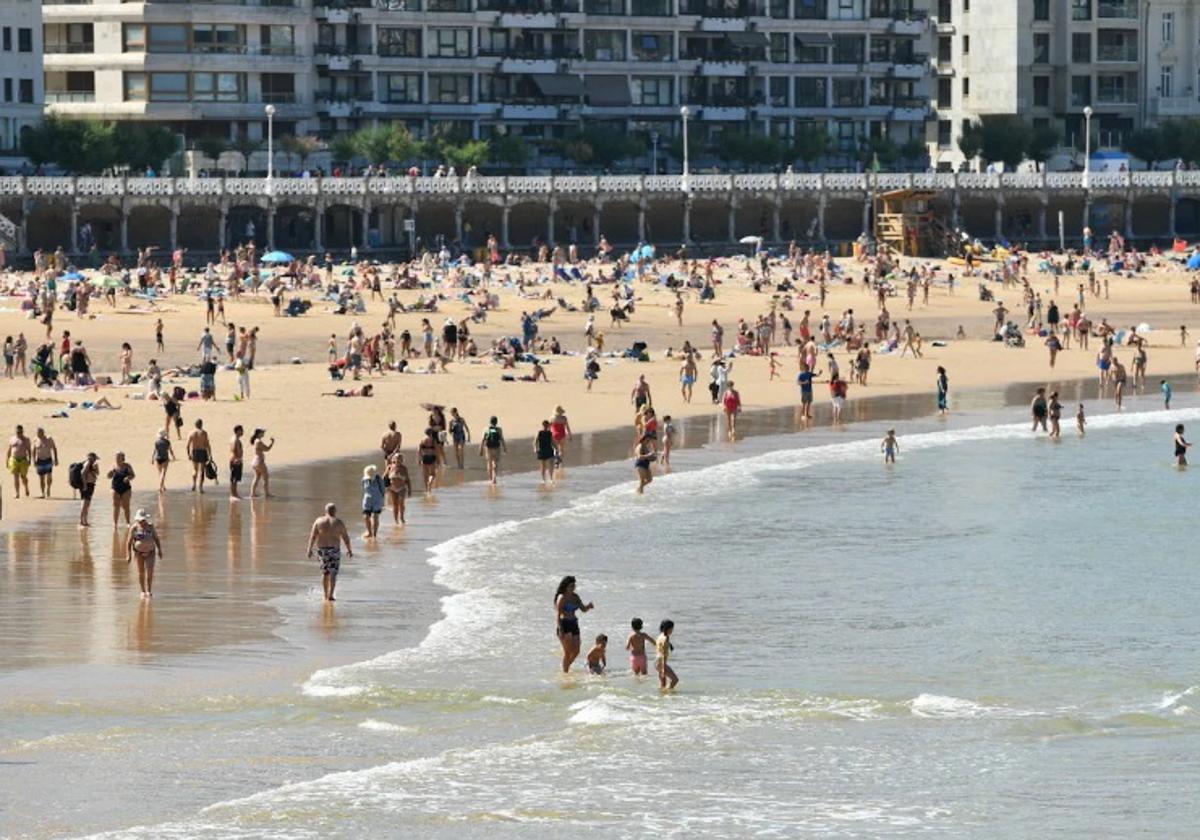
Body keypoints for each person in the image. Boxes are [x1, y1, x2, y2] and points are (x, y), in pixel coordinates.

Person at [306, 503, 353, 602]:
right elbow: (345, 537)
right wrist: (349, 550)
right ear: (335, 511)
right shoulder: (338, 522)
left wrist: (309, 549)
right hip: (334, 550)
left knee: (325, 572)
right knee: (333, 573)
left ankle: (325, 595)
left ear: (325, 511)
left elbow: (313, 536)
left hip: (322, 550)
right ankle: (330, 595)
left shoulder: (318, 521)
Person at [554, 575, 593, 673]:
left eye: (574, 586)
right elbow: (558, 614)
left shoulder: (575, 597)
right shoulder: (562, 597)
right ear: (565, 586)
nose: (573, 588)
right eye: (571, 586)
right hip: (564, 624)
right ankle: (565, 672)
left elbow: (583, 609)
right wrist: (560, 629)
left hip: (574, 624)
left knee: (576, 651)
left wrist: (589, 606)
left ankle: (565, 667)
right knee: (567, 651)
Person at [125, 509, 162, 599]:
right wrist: (128, 555)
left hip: (150, 552)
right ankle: (142, 591)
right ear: (137, 520)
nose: (142, 522)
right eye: (140, 520)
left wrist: (160, 550)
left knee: (150, 571)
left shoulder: (150, 527)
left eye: (143, 520)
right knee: (141, 572)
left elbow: (156, 539)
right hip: (139, 553)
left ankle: (149, 590)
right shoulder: (134, 528)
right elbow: (128, 542)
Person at [107, 451, 135, 527]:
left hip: (126, 488)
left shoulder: (127, 466)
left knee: (126, 506)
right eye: (116, 457)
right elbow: (108, 476)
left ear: (123, 458)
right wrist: (111, 472)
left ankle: (128, 523)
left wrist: (128, 478)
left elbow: (133, 475)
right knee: (116, 505)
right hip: (115, 488)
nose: (117, 458)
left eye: (119, 457)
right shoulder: (113, 466)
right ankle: (115, 523)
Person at [384, 451, 411, 525]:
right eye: (397, 458)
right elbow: (384, 477)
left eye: (400, 458)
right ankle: (396, 520)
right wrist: (384, 487)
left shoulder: (404, 468)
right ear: (394, 459)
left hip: (402, 488)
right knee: (395, 504)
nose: (398, 460)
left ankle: (401, 517)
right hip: (392, 488)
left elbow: (407, 480)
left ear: (402, 460)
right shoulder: (390, 467)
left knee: (401, 503)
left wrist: (409, 490)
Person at [479, 416, 507, 485]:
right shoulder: (499, 429)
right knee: (495, 463)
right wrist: (505, 448)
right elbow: (502, 439)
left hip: (488, 448)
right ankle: (494, 478)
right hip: (497, 448)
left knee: (489, 463)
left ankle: (490, 479)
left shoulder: (486, 429)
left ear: (490, 421)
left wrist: (480, 449)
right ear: (496, 422)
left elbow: (483, 440)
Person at [6, 424, 31, 499]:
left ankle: (26, 487)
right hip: (14, 460)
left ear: (22, 431)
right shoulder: (12, 439)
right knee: (15, 477)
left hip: (23, 460)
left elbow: (29, 450)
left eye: (20, 432)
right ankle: (17, 493)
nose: (19, 434)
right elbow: (9, 450)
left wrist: (30, 460)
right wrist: (7, 460)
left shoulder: (26, 439)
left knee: (23, 477)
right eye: (17, 432)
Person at [361, 465, 386, 539]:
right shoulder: (364, 480)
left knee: (375, 516)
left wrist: (382, 500)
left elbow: (383, 490)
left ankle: (374, 534)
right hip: (367, 499)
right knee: (366, 516)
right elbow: (363, 489)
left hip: (377, 499)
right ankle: (369, 532)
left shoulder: (379, 479)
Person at [32, 427, 58, 499]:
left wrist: (56, 459)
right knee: (41, 478)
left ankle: (48, 488)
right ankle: (42, 492)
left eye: (40, 433)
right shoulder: (35, 440)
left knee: (49, 477)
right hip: (39, 460)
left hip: (48, 460)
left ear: (43, 433)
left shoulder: (49, 439)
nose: (39, 434)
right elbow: (33, 451)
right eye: (37, 433)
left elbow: (54, 448)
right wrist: (33, 460)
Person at [186, 420, 211, 493]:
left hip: (195, 451)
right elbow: (207, 444)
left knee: (194, 469)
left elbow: (187, 445)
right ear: (201, 424)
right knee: (201, 470)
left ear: (195, 424)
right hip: (202, 451)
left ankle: (193, 484)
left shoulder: (191, 433)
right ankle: (200, 487)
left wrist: (189, 454)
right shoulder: (204, 433)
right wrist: (210, 454)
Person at [250, 429, 275, 498]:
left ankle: (252, 493)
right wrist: (272, 442)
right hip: (259, 462)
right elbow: (267, 449)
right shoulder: (259, 441)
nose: (264, 433)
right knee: (266, 477)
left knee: (257, 477)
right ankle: (267, 494)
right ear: (259, 434)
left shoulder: (256, 440)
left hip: (255, 461)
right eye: (262, 432)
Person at [78, 452, 99, 527]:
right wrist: (84, 485)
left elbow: (97, 473)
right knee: (85, 503)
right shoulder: (87, 463)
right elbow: (82, 473)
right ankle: (81, 521)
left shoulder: (93, 464)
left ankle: (84, 520)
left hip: (90, 485)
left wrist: (95, 468)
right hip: (87, 485)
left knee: (87, 503)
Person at [656, 619, 678, 690]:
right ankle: (667, 692)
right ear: (668, 629)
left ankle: (662, 696)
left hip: (656, 661)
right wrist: (663, 668)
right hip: (661, 662)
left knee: (663, 685)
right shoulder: (666, 638)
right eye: (672, 629)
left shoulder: (660, 636)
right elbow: (663, 654)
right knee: (675, 680)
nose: (672, 631)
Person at [151, 428, 175, 492]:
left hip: (157, 458)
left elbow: (154, 451)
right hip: (165, 458)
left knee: (160, 473)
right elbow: (170, 450)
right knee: (163, 473)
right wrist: (173, 457)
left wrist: (152, 459)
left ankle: (163, 486)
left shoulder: (157, 442)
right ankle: (160, 487)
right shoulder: (167, 442)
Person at [418, 428, 439, 493]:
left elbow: (419, 450)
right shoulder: (433, 440)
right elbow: (436, 450)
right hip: (432, 457)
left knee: (425, 474)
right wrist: (438, 459)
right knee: (433, 474)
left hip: (425, 457)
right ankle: (430, 483)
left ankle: (427, 489)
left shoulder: (422, 440)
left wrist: (419, 459)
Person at [535, 420, 557, 484]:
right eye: (544, 425)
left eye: (546, 425)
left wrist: (556, 449)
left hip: (549, 449)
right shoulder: (539, 433)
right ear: (543, 425)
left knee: (551, 465)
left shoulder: (550, 433)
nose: (545, 427)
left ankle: (551, 478)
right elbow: (535, 442)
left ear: (548, 426)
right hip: (542, 450)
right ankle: (543, 479)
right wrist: (535, 449)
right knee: (543, 465)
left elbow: (553, 442)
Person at [229, 425, 245, 500]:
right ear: (238, 431)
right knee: (235, 478)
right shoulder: (236, 440)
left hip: (232, 459)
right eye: (241, 430)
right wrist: (238, 459)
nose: (242, 432)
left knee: (233, 478)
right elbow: (237, 450)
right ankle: (234, 494)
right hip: (236, 460)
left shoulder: (232, 439)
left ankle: (234, 493)